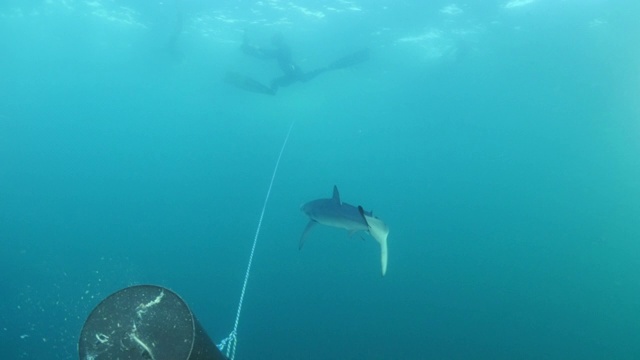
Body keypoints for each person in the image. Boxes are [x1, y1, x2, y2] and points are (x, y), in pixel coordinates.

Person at [224, 32, 369, 95]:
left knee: (278, 82)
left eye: (274, 39)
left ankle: (330, 67)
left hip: (294, 73)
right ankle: (330, 67)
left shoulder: (283, 48)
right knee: (296, 79)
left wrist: (254, 49)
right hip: (295, 73)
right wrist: (252, 50)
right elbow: (268, 56)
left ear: (278, 40)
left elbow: (269, 55)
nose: (272, 41)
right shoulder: (283, 48)